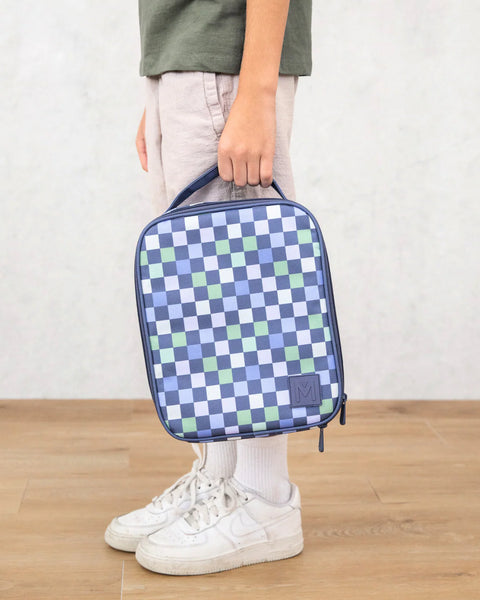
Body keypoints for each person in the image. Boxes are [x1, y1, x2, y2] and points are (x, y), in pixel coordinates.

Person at [105, 0, 312, 575]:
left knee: (247, 289)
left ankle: (265, 496)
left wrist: (255, 92)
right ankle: (220, 479)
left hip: (226, 56)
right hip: (190, 57)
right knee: (203, 299)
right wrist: (164, 80)